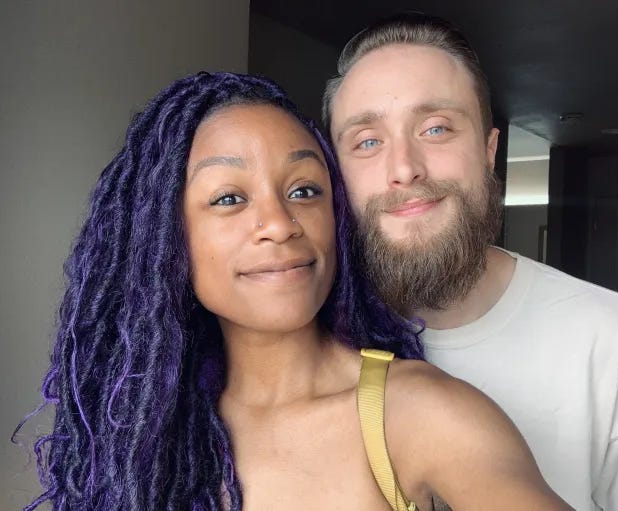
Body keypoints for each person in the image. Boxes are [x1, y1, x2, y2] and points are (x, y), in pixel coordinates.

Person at [18, 71, 573, 510]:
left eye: (304, 190)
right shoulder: (141, 431)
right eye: (230, 199)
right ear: (165, 237)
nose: (281, 224)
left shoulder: (418, 414)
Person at [322, 12, 618, 511]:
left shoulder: (610, 339)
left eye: (436, 128)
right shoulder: (305, 343)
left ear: (489, 150)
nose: (403, 168)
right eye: (367, 141)